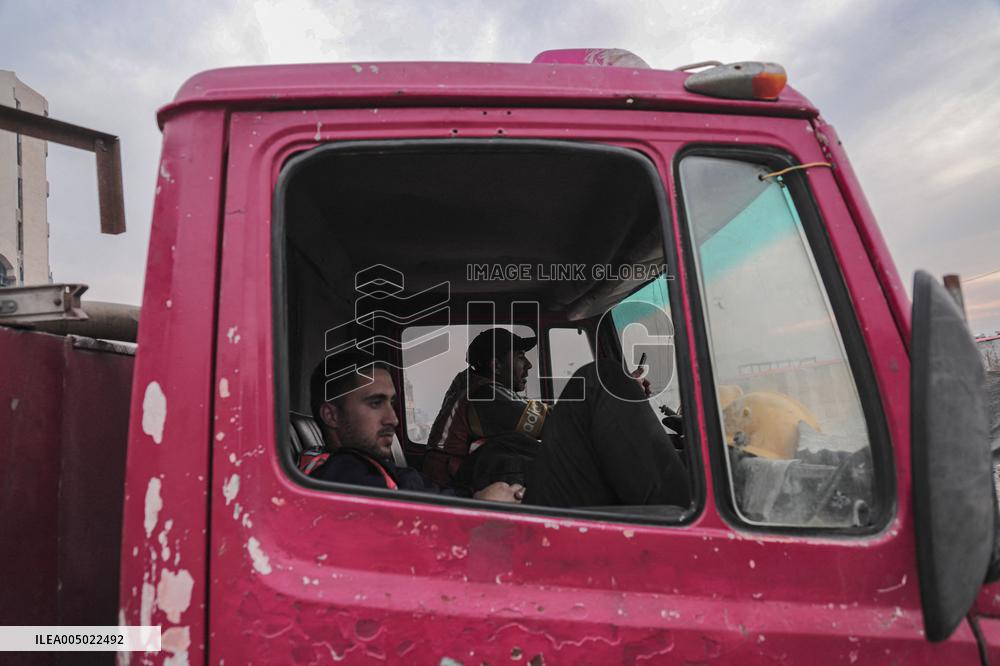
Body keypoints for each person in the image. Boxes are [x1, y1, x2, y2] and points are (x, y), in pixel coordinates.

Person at [427, 328, 690, 508]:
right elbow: (555, 425)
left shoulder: (486, 391)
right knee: (601, 378)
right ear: (496, 365)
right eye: (520, 358)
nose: (528, 366)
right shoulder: (484, 396)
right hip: (475, 485)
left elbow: (546, 415)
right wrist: (613, 395)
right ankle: (681, 508)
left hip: (491, 475)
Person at [306, 348, 523, 503]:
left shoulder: (367, 466)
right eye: (375, 403)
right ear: (331, 416)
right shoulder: (345, 476)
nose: (393, 419)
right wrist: (479, 504)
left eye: (391, 403)